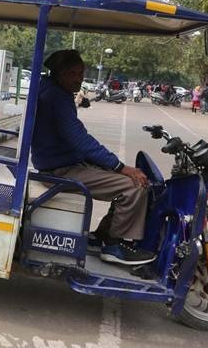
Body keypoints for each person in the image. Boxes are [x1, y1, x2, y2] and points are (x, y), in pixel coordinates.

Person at [31, 49, 154, 266]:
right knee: (134, 185)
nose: (78, 78)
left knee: (125, 179)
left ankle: (101, 236)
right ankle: (113, 246)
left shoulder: (50, 89)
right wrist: (120, 167)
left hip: (61, 162)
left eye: (80, 73)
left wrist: (110, 165)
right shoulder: (56, 98)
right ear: (59, 74)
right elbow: (80, 140)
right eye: (72, 74)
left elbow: (78, 139)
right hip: (60, 169)